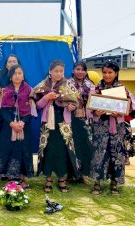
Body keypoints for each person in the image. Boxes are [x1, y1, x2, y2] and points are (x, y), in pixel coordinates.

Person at [90, 61, 135, 195]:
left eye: (110, 72)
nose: (107, 75)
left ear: (116, 73)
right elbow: (89, 108)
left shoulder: (122, 89)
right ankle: (97, 184)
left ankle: (114, 184)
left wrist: (122, 111)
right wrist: (96, 112)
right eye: (104, 72)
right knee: (99, 154)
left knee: (117, 155)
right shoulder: (96, 88)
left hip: (117, 128)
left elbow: (133, 108)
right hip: (100, 127)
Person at [31, 60, 80, 193]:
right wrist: (47, 97)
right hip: (47, 122)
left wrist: (71, 107)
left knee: (63, 150)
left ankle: (62, 178)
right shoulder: (43, 86)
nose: (59, 74)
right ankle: (48, 179)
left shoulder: (68, 85)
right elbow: (37, 105)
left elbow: (76, 102)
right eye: (56, 71)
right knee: (48, 149)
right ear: (50, 71)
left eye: (61, 71)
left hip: (63, 122)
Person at [0, 65, 34, 186]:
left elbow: (32, 110)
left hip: (24, 126)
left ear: (23, 76)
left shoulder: (30, 90)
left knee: (23, 149)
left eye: (20, 73)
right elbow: (3, 110)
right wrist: (12, 123)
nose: (17, 76)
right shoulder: (5, 90)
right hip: (9, 126)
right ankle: (9, 176)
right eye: (15, 74)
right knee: (9, 148)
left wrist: (23, 122)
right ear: (10, 77)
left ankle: (22, 176)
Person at [68, 62, 95, 182]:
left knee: (85, 146)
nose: (80, 72)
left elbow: (95, 102)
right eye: (77, 69)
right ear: (73, 70)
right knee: (71, 146)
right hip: (70, 119)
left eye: (82, 70)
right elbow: (62, 99)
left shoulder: (91, 85)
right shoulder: (67, 83)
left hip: (86, 120)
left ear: (85, 71)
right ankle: (70, 174)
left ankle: (82, 175)